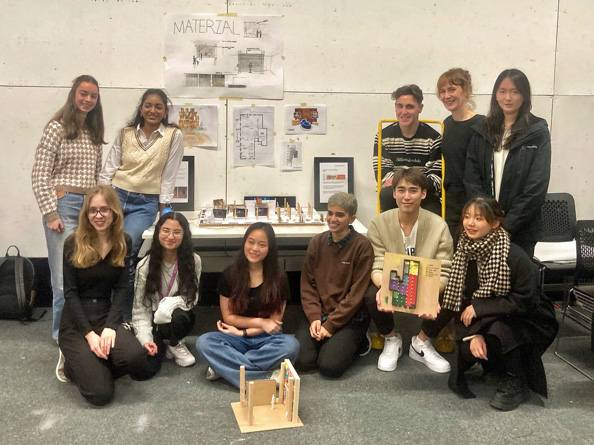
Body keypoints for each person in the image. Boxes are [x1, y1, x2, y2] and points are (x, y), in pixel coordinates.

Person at [444, 197, 558, 411]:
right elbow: (462, 299)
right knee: (467, 350)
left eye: (479, 218)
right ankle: (495, 365)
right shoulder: (464, 251)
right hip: (489, 315)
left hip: (529, 318)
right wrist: (474, 334)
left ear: (495, 223)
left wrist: (480, 310)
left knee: (498, 332)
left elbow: (524, 301)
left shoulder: (513, 255)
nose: (470, 223)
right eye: (467, 217)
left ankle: (518, 379)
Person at [57, 185, 148, 406]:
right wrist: (89, 334)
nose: (98, 216)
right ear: (86, 214)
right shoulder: (73, 242)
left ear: (114, 211)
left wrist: (110, 326)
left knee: (136, 358)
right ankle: (72, 365)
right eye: (93, 210)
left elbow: (121, 289)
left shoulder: (123, 241)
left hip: (104, 313)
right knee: (100, 395)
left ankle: (89, 365)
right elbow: (70, 293)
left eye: (104, 210)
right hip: (76, 321)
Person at [99, 89, 184, 320]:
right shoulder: (125, 133)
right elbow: (109, 167)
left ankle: (124, 317)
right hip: (115, 196)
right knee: (103, 251)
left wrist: (163, 208)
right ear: (141, 108)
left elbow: (169, 174)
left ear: (166, 111)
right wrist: (101, 198)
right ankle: (100, 310)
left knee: (126, 250)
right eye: (148, 105)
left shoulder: (173, 136)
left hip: (144, 203)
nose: (152, 110)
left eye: (158, 107)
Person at [32, 75, 105, 341]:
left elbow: (97, 175)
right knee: (63, 279)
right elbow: (40, 174)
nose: (87, 99)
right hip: (62, 205)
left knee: (86, 273)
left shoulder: (94, 131)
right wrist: (51, 212)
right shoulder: (56, 128)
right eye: (83, 93)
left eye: (93, 96)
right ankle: (61, 336)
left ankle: (82, 330)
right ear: (73, 94)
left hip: (89, 209)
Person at [364, 169, 453, 373]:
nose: (406, 196)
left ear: (423, 194)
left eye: (413, 190)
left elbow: (445, 269)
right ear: (393, 193)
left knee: (454, 292)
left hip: (426, 284)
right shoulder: (378, 223)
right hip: (393, 281)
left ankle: (421, 342)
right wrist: (386, 287)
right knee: (370, 294)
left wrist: (427, 295)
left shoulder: (439, 225)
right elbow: (376, 265)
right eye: (401, 190)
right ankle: (391, 339)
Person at [196, 223, 300, 388]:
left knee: (291, 346)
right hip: (234, 337)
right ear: (244, 242)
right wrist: (257, 324)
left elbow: (274, 324)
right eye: (251, 242)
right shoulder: (230, 274)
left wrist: (244, 332)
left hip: (267, 339)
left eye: (262, 244)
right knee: (204, 342)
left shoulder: (278, 277)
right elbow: (229, 317)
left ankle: (225, 367)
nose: (255, 248)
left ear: (270, 248)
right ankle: (266, 377)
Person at [464, 69, 551, 258]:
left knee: (516, 283)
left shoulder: (537, 131)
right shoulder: (482, 130)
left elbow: (536, 186)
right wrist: (487, 220)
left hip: (521, 230)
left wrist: (506, 225)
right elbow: (472, 179)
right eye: (502, 91)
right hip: (483, 228)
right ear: (495, 95)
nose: (508, 97)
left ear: (524, 96)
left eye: (515, 91)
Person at [295, 192, 374, 377]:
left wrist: (330, 325)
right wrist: (314, 317)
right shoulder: (317, 242)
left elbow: (356, 295)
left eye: (340, 215)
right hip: (321, 313)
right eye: (330, 213)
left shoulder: (363, 247)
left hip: (350, 317)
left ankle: (359, 339)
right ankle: (328, 339)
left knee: (330, 367)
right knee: (303, 361)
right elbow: (307, 284)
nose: (333, 219)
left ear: (351, 218)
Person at [132, 212, 201, 376]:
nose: (171, 236)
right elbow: (139, 309)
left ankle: (174, 342)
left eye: (177, 232)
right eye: (166, 230)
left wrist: (169, 304)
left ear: (184, 235)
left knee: (179, 317)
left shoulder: (193, 261)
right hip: (152, 322)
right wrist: (146, 340)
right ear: (157, 233)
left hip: (175, 318)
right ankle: (161, 344)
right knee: (143, 371)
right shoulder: (145, 266)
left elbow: (192, 299)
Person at [372, 84, 442, 215]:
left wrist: (411, 189)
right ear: (395, 107)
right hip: (395, 194)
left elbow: (435, 179)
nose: (403, 112)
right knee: (386, 194)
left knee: (434, 206)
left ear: (420, 108)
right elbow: (382, 175)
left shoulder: (434, 138)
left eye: (409, 107)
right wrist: (406, 188)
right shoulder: (383, 136)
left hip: (424, 196)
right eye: (400, 106)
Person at [436, 68, 485, 240]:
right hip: (450, 200)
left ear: (466, 91)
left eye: (452, 89)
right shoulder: (447, 123)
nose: (446, 96)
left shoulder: (481, 124)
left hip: (473, 198)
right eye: (442, 91)